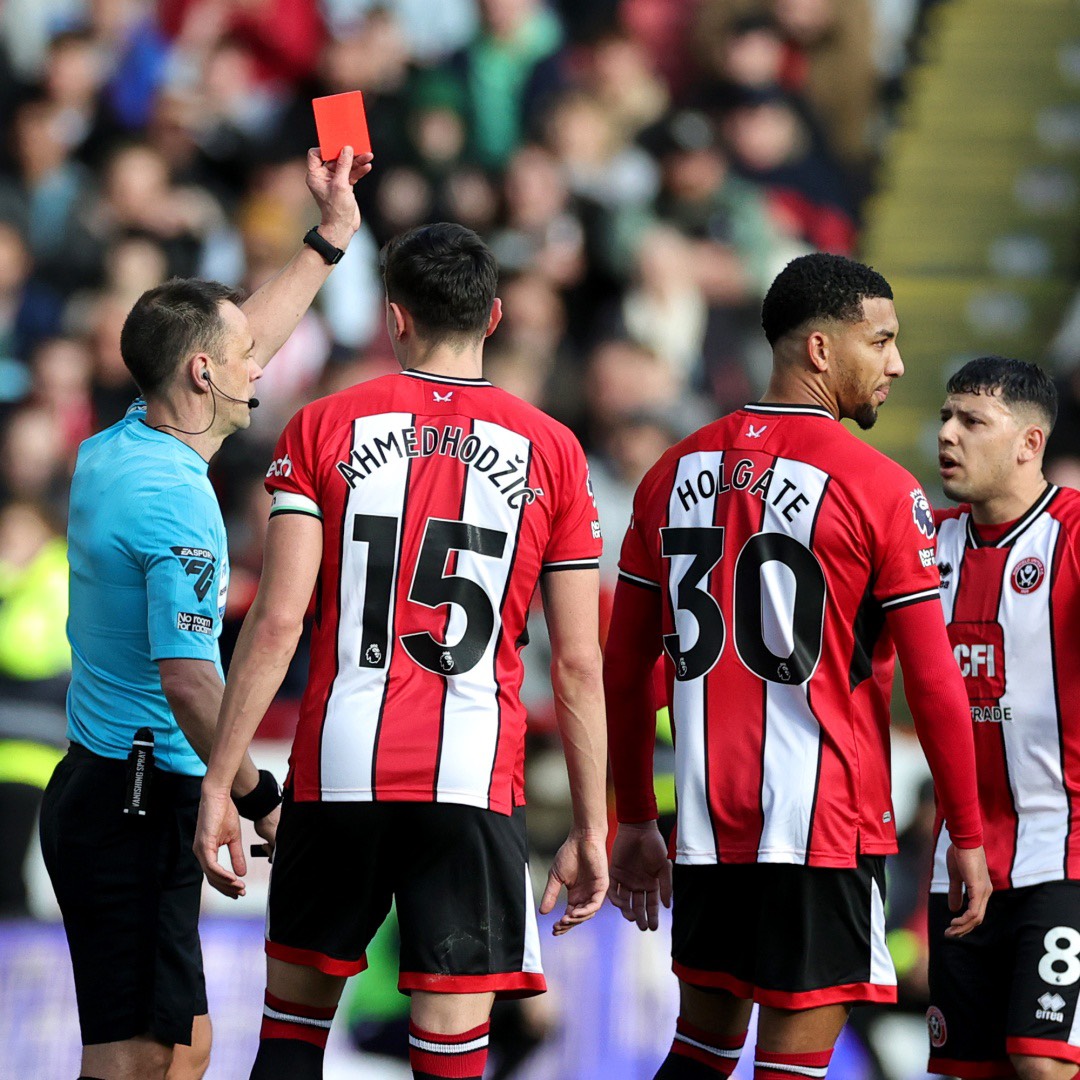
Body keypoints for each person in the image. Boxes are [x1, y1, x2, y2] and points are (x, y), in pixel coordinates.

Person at [193, 221, 609, 1080]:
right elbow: (576, 663)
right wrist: (595, 826)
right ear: (494, 317)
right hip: (471, 774)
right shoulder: (556, 451)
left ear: (394, 318)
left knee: (291, 1040)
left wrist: (218, 782)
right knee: (451, 1054)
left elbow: (276, 623)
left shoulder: (324, 426)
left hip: (338, 765)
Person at [603, 252, 992, 1079]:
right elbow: (934, 683)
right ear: (820, 350)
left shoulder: (670, 474)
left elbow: (622, 664)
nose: (895, 364)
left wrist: (636, 814)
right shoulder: (881, 488)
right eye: (880, 341)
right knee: (793, 1068)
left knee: (701, 1051)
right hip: (825, 828)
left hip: (710, 826)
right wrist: (965, 830)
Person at [38, 144, 372, 1080]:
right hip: (135, 800)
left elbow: (242, 333)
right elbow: (190, 678)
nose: (259, 367)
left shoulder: (123, 442)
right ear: (201, 374)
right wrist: (256, 796)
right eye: (241, 359)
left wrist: (329, 239)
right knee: (140, 1060)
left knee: (186, 1053)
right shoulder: (173, 501)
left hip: (124, 786)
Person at [929, 356, 1080, 1080]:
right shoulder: (925, 546)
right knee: (967, 1072)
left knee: (1042, 1064)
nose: (948, 436)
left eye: (971, 421)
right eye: (945, 418)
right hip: (956, 865)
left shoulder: (1075, 538)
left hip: (1064, 853)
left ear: (1028, 443)